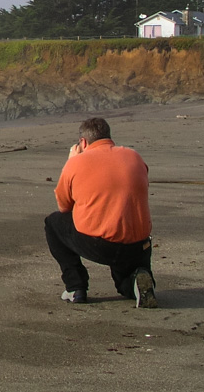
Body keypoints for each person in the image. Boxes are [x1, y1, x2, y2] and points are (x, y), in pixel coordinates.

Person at [44, 117, 157, 308]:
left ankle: (76, 286)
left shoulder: (77, 163)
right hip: (138, 243)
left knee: (53, 223)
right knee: (125, 278)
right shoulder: (134, 156)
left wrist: (73, 161)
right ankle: (136, 282)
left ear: (83, 142)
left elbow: (64, 207)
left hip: (100, 244)